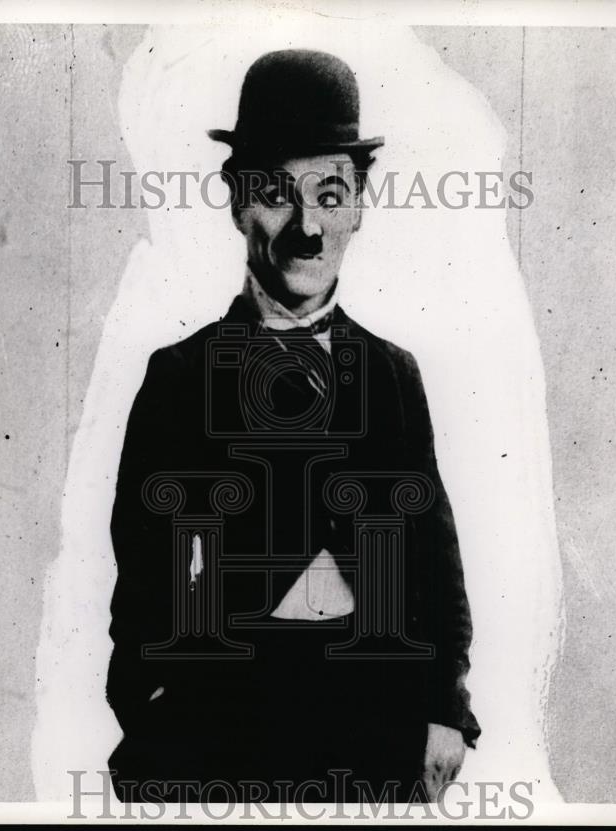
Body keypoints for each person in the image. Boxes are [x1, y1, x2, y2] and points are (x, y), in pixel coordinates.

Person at [106, 48, 479, 804]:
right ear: (237, 199)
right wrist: (143, 701)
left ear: (359, 206)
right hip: (221, 713)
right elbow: (142, 562)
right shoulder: (179, 377)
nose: (309, 227)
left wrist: (447, 708)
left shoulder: (393, 375)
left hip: (374, 709)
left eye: (331, 193)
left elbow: (434, 561)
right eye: (278, 193)